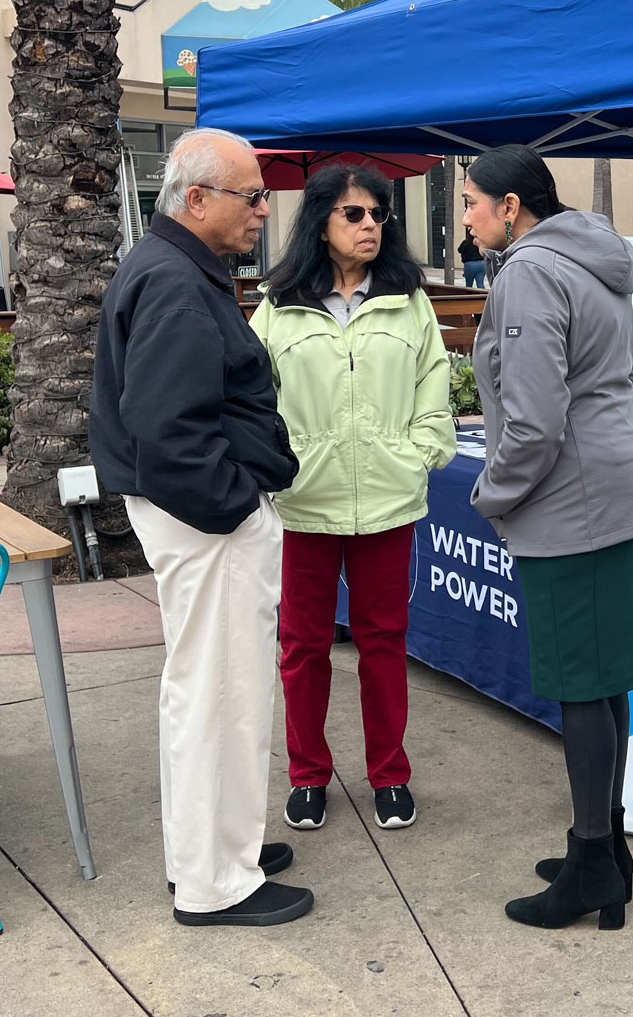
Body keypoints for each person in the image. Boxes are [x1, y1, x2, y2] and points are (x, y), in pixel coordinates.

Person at [90, 128, 312, 927]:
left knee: (212, 691)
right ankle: (216, 881)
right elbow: (167, 428)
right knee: (221, 695)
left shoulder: (176, 268)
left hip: (200, 515)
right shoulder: (176, 282)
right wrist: (235, 505)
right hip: (205, 520)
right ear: (195, 200)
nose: (263, 209)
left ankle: (218, 852)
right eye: (250, 195)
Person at [463, 144, 633, 931]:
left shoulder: (530, 271)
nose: (467, 216)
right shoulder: (591, 259)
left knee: (582, 683)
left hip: (567, 494)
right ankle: (606, 849)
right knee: (604, 679)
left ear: (512, 207)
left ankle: (590, 866)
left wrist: (492, 493)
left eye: (473, 201)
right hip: (613, 480)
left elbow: (535, 421)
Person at [251, 164, 455, 836]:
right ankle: (307, 775)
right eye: (355, 215)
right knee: (302, 647)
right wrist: (280, 463)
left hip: (390, 504)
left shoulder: (408, 298)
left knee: (384, 643)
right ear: (320, 224)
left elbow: (434, 378)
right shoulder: (278, 306)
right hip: (306, 503)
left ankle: (390, 775)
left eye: (378, 215)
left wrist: (420, 450)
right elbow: (253, 392)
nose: (371, 226)